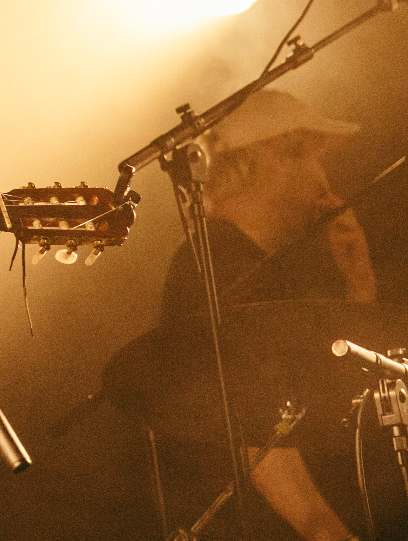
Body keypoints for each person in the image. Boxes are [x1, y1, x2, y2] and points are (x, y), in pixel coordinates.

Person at [158, 88, 378, 541]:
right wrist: (326, 532)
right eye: (312, 157)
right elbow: (253, 428)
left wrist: (360, 286)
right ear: (272, 157)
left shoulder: (268, 265)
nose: (323, 179)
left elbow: (332, 403)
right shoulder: (213, 264)